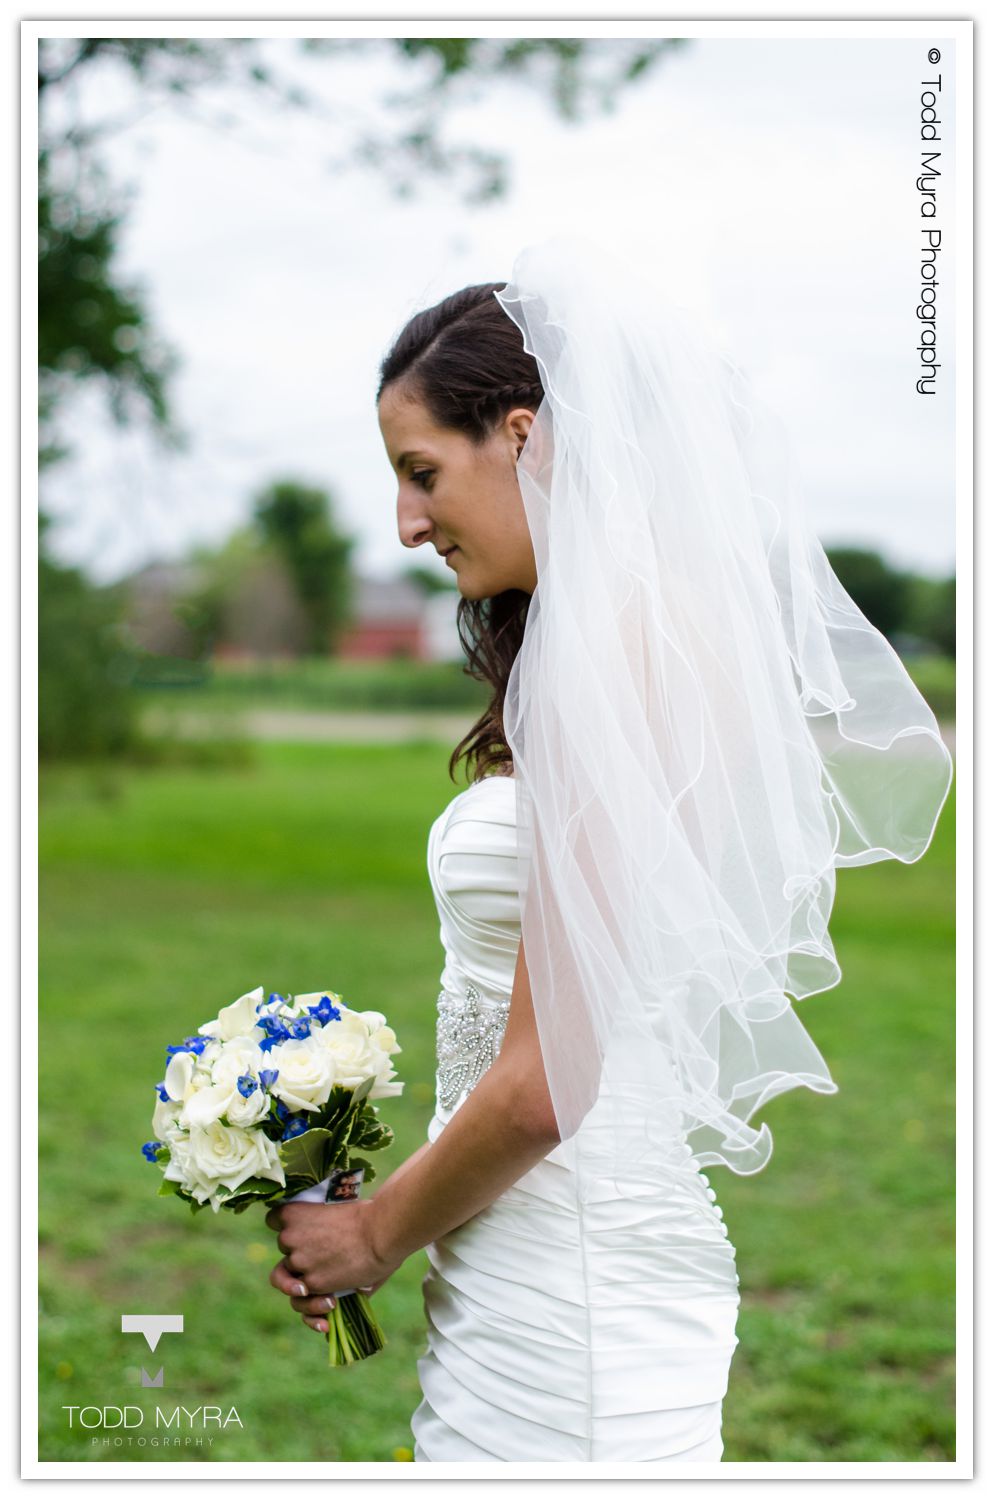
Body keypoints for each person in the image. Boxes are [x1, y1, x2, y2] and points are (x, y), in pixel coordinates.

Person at [264, 234, 953, 1463]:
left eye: (422, 473)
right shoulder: (622, 634)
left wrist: (371, 1237)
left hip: (573, 1286)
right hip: (533, 1255)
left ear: (521, 435)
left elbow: (548, 1082)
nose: (408, 523)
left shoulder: (621, 651)